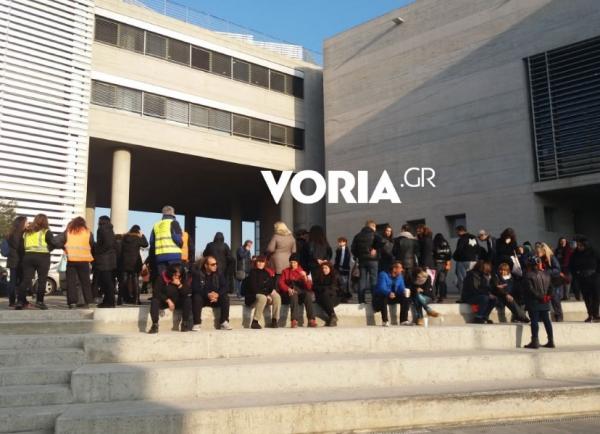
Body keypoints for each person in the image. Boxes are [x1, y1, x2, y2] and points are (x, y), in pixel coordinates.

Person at [15, 214, 54, 310]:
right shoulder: (46, 231)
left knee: (26, 280)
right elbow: (53, 243)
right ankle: (39, 302)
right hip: (43, 257)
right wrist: (48, 249)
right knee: (42, 280)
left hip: (28, 257)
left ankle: (20, 301)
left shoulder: (27, 232)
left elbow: (21, 245)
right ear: (45, 221)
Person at [54, 217, 94, 309]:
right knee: (86, 282)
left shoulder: (68, 232)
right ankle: (89, 302)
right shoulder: (88, 232)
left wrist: (64, 247)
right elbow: (91, 243)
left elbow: (56, 241)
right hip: (84, 260)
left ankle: (72, 303)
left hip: (71, 260)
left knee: (71, 282)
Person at [191, 256, 232, 330]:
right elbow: (195, 288)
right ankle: (197, 323)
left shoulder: (219, 273)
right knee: (196, 297)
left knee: (225, 297)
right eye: (213, 264)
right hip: (203, 298)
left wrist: (217, 294)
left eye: (216, 264)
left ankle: (224, 322)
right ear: (206, 265)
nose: (215, 266)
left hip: (215, 298)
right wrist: (207, 294)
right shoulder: (198, 274)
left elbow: (225, 287)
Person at [148, 264, 191, 333]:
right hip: (165, 301)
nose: (177, 277)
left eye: (179, 275)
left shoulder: (182, 278)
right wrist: (167, 300)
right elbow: (156, 292)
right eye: (175, 275)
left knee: (187, 299)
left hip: (177, 301)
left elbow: (186, 292)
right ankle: (155, 325)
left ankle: (184, 323)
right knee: (154, 301)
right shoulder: (162, 277)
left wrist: (179, 285)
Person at [523, 256, 555, 349]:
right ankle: (551, 340)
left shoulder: (528, 275)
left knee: (534, 321)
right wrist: (547, 297)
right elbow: (551, 288)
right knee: (547, 321)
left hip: (534, 301)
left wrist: (541, 297)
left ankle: (535, 341)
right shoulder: (546, 274)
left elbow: (530, 290)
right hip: (545, 301)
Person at [278, 253, 315, 328]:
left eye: (294, 262)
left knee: (308, 295)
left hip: (301, 293)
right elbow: (281, 283)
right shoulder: (285, 271)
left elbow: (309, 287)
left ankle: (311, 319)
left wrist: (305, 277)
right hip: (289, 293)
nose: (292, 264)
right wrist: (288, 289)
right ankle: (294, 320)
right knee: (293, 295)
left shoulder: (302, 272)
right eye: (291, 262)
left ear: (298, 263)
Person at [243, 255, 280, 329]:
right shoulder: (252, 272)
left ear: (265, 263)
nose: (260, 264)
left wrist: (271, 291)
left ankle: (274, 320)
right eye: (259, 262)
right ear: (256, 263)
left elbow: (270, 285)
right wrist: (266, 294)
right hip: (253, 296)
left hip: (263, 294)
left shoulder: (266, 273)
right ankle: (255, 322)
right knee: (263, 297)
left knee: (277, 296)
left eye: (262, 262)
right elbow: (254, 288)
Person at [569, 238, 600, 323]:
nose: (579, 247)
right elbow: (571, 266)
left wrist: (597, 273)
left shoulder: (594, 252)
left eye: (581, 245)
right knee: (587, 297)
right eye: (578, 245)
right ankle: (590, 315)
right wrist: (576, 275)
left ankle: (596, 314)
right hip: (582, 278)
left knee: (596, 297)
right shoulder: (575, 254)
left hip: (594, 277)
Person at [351, 220, 380, 305]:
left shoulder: (358, 236)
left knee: (362, 280)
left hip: (362, 261)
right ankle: (374, 300)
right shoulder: (375, 235)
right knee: (373, 280)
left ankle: (361, 301)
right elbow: (381, 245)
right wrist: (376, 251)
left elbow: (353, 249)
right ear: (372, 226)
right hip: (373, 260)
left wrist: (358, 256)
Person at [149, 205, 183, 276]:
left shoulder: (156, 225)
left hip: (160, 257)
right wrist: (181, 244)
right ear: (173, 213)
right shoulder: (174, 222)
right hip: (174, 256)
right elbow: (177, 238)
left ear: (163, 214)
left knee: (163, 278)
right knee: (174, 277)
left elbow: (152, 242)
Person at [373, 261, 409, 327]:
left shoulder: (400, 277)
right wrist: (389, 293)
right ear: (394, 269)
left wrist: (403, 291)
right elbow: (381, 288)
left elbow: (401, 288)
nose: (402, 270)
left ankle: (404, 320)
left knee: (405, 297)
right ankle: (385, 321)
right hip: (381, 297)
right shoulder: (383, 274)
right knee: (383, 296)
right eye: (400, 268)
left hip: (393, 296)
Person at [120, 225, 148, 305]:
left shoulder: (124, 238)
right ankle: (136, 300)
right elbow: (145, 244)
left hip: (125, 262)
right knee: (135, 280)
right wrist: (142, 235)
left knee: (124, 280)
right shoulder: (137, 238)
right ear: (138, 231)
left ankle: (120, 299)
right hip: (135, 262)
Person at [536, 242, 563, 322]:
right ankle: (541, 317)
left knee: (555, 299)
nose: (537, 253)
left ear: (544, 250)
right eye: (537, 252)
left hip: (553, 282)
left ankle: (558, 316)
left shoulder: (551, 257)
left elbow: (557, 269)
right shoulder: (539, 259)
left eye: (539, 252)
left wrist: (545, 271)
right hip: (544, 282)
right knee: (542, 299)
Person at [95, 216, 117, 308]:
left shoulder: (101, 229)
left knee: (106, 282)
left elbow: (107, 244)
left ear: (101, 221)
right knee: (109, 282)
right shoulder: (110, 230)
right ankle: (108, 301)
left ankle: (109, 302)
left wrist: (99, 251)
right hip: (111, 259)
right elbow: (111, 244)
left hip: (104, 260)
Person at [452, 226, 479, 300]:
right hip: (473, 261)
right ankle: (473, 295)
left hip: (463, 261)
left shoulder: (462, 239)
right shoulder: (474, 238)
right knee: (472, 279)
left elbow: (459, 250)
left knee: (462, 280)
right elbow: (478, 249)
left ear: (460, 231)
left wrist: (454, 257)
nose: (457, 233)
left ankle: (463, 297)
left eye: (457, 232)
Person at [5, 216, 27, 307]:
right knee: (21, 281)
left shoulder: (10, 234)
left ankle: (12, 301)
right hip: (19, 260)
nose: (27, 224)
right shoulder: (21, 234)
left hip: (11, 260)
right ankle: (21, 300)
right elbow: (20, 248)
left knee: (12, 282)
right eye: (26, 222)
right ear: (22, 223)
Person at [313, 261, 342, 326]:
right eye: (323, 268)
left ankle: (332, 317)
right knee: (323, 295)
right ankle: (332, 316)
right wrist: (323, 289)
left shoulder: (335, 276)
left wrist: (323, 289)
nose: (324, 270)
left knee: (325, 293)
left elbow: (335, 288)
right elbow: (315, 287)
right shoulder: (319, 276)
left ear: (330, 268)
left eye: (326, 268)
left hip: (334, 297)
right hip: (322, 298)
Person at [432, 233, 452, 303]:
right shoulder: (446, 244)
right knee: (442, 280)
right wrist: (448, 263)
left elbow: (433, 253)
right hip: (445, 263)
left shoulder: (435, 243)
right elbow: (449, 254)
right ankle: (443, 295)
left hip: (437, 263)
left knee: (435, 280)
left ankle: (434, 294)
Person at [334, 237, 353, 302]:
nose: (340, 243)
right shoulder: (339, 250)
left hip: (344, 268)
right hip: (339, 268)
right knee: (340, 282)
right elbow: (337, 259)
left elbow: (344, 259)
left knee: (344, 283)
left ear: (345, 242)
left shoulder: (346, 250)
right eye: (339, 242)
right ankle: (342, 296)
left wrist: (341, 266)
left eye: (341, 242)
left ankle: (345, 296)